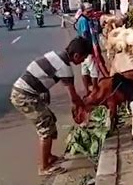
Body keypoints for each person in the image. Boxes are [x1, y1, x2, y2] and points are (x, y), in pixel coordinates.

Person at [10, 37, 92, 176]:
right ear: (76, 55)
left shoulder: (56, 55)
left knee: (50, 119)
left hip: (25, 92)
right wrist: (83, 107)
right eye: (83, 58)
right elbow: (73, 97)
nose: (83, 61)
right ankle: (44, 167)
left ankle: (48, 156)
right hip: (24, 96)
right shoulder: (65, 67)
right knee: (46, 128)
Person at [76, 3, 100, 96]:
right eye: (88, 12)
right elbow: (84, 34)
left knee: (85, 70)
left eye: (91, 11)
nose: (90, 13)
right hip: (87, 49)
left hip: (82, 48)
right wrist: (88, 48)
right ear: (83, 11)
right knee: (94, 70)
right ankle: (94, 90)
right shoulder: (83, 21)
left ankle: (88, 91)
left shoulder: (83, 19)